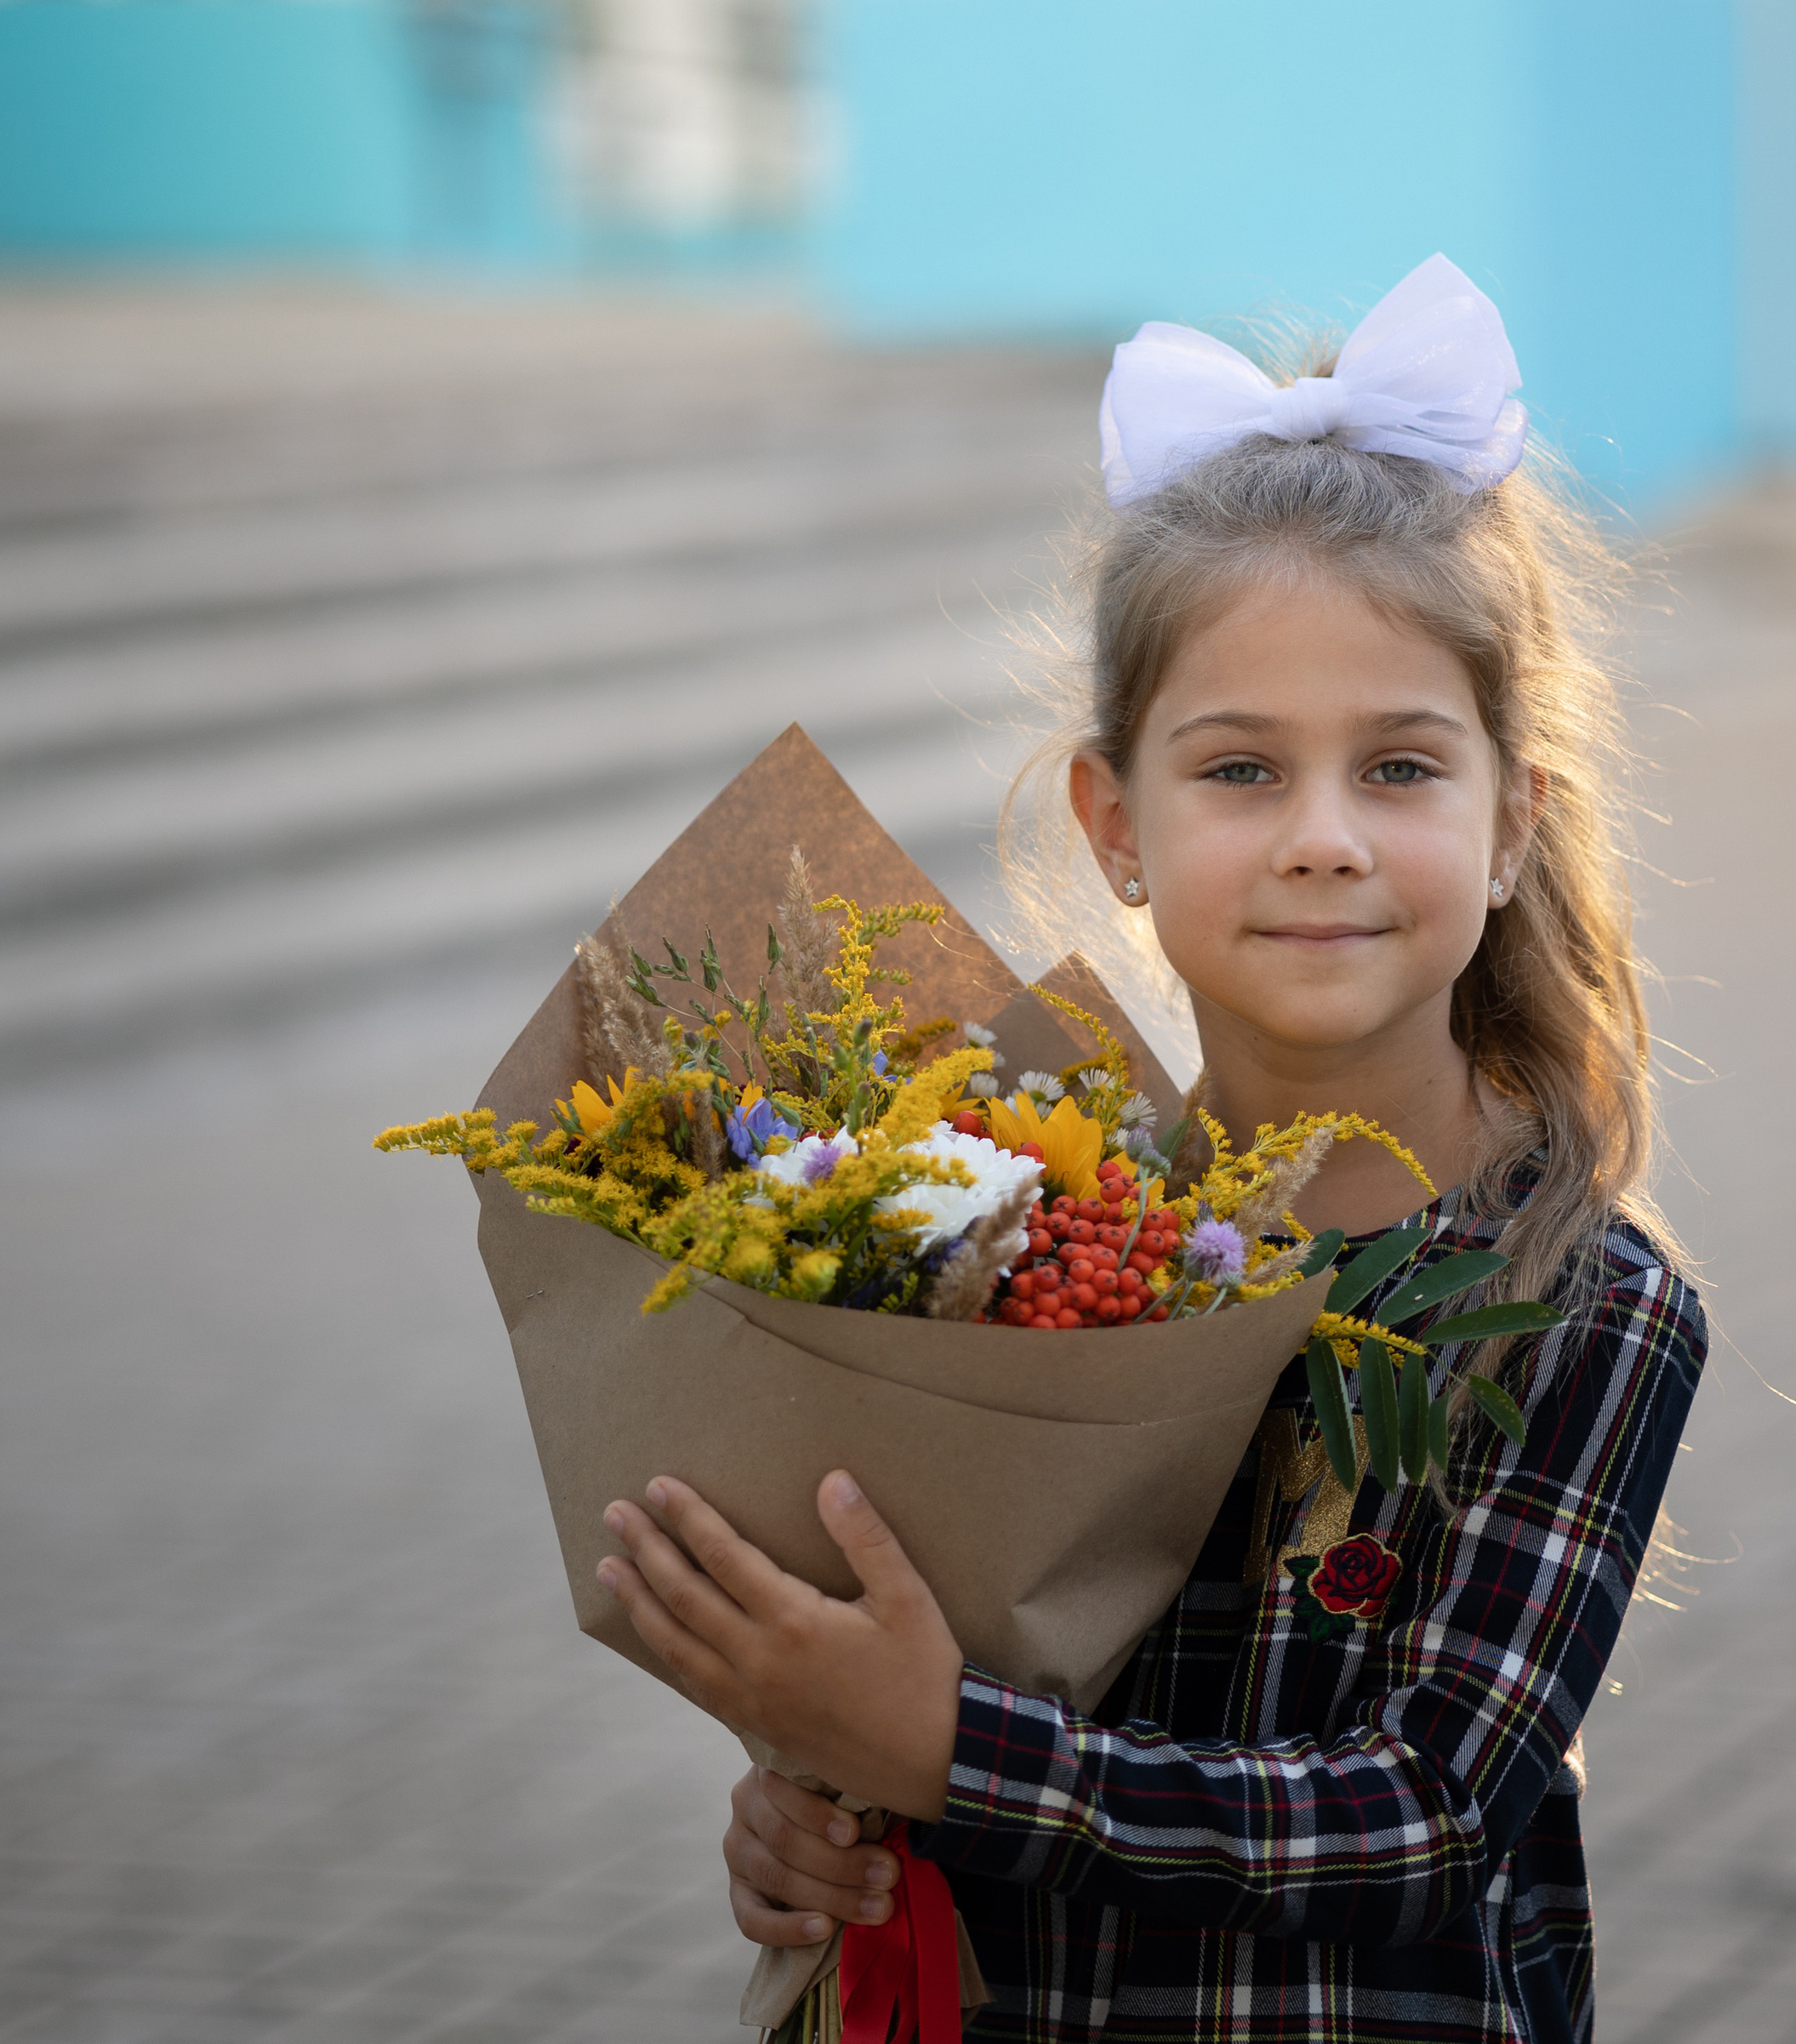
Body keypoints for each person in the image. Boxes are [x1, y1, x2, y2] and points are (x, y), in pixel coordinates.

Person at [596, 256, 1708, 2043]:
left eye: (1401, 769)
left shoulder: (1571, 1297)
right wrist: (826, 1815)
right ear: (1116, 826)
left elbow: (1417, 1815)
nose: (1323, 838)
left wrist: (948, 1752)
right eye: (1241, 770)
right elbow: (944, 1670)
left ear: (1514, 823)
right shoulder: (1006, 1223)